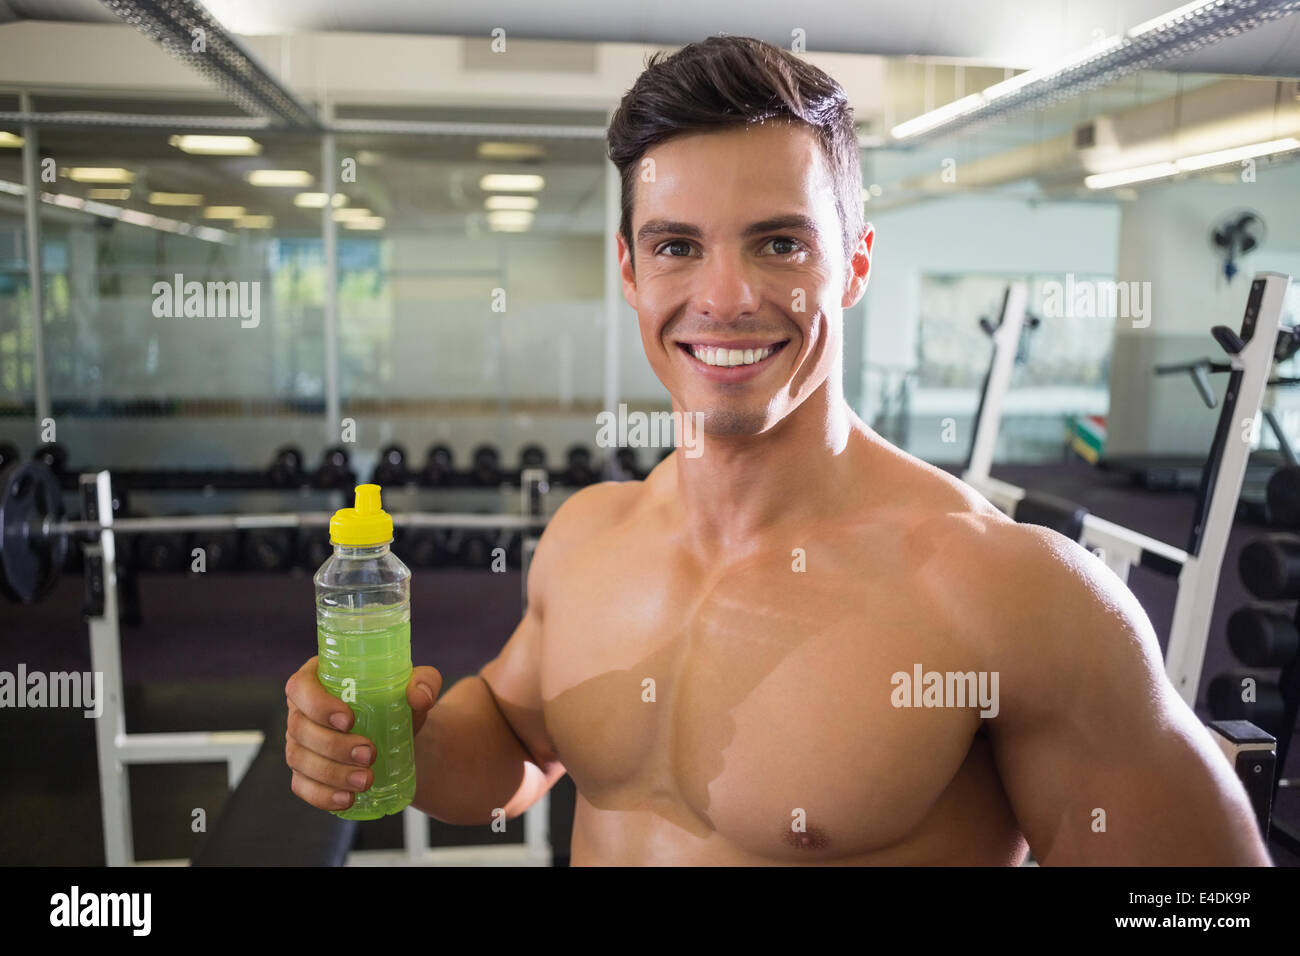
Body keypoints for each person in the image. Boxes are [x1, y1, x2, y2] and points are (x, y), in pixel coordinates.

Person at [285, 35, 1271, 865]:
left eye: (779, 243)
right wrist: (392, 741)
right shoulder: (588, 538)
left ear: (853, 262)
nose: (723, 298)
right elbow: (509, 743)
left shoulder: (1009, 591)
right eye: (677, 245)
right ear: (629, 266)